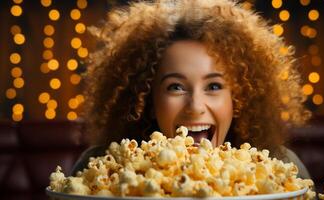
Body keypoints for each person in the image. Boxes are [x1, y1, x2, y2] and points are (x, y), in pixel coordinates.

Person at [71, 0, 311, 179]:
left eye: (214, 86)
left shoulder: (283, 168)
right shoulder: (99, 170)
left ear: (238, 99)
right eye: (175, 87)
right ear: (147, 101)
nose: (195, 107)